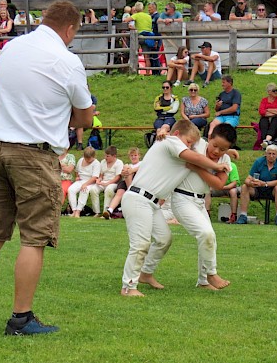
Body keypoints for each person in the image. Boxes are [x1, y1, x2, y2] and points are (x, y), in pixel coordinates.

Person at [0, 0, 94, 336]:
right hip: (33, 154)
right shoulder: (68, 60)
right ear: (70, 28)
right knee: (34, 238)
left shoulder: (12, 47)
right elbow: (86, 118)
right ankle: (20, 318)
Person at [120, 120, 230, 296]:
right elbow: (195, 155)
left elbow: (202, 154)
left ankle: (145, 273)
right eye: (188, 143)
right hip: (138, 198)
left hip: (153, 202)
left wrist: (228, 152)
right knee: (140, 244)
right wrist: (216, 165)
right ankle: (128, 286)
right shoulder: (171, 141)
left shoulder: (179, 146)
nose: (190, 147)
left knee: (164, 239)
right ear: (177, 135)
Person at [236, 144, 277, 226]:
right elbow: (247, 179)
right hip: (258, 189)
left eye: (274, 154)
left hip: (272, 189)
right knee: (245, 187)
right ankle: (243, 215)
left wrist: (265, 184)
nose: (271, 156)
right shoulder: (259, 162)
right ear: (265, 154)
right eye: (269, 153)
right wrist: (251, 183)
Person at [103, 147, 141, 219]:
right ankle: (109, 211)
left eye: (135, 155)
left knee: (126, 167)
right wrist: (125, 172)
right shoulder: (129, 165)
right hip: (126, 182)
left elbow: (140, 167)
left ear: (139, 155)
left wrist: (131, 170)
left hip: (137, 183)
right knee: (119, 193)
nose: (133, 157)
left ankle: (130, 190)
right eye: (131, 155)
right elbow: (123, 174)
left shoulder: (141, 163)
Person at [90, 146, 124, 217]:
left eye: (108, 156)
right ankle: (97, 212)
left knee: (109, 190)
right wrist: (99, 180)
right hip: (104, 181)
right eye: (105, 155)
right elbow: (101, 175)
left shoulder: (119, 163)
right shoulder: (103, 162)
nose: (105, 157)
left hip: (114, 183)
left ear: (114, 156)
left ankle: (106, 212)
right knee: (93, 189)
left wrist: (107, 183)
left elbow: (118, 177)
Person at [68, 147, 101, 218]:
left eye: (89, 159)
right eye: (86, 158)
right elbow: (77, 171)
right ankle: (74, 210)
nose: (87, 160)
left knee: (84, 190)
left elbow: (94, 177)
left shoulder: (96, 163)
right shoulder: (80, 160)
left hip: (90, 182)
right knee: (71, 189)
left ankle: (78, 211)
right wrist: (77, 177)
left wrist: (85, 184)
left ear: (93, 156)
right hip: (80, 180)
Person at [123, 2, 153, 75]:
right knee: (146, 56)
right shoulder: (148, 16)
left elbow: (125, 20)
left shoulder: (136, 15)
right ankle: (148, 72)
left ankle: (133, 71)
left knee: (134, 52)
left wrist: (133, 27)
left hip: (139, 36)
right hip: (148, 36)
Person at [258, 82, 277, 149]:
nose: (276, 92)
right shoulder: (264, 100)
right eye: (274, 91)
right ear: (269, 92)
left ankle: (266, 141)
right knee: (263, 122)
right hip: (265, 117)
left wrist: (267, 110)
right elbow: (261, 111)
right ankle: (266, 141)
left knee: (275, 122)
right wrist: (274, 111)